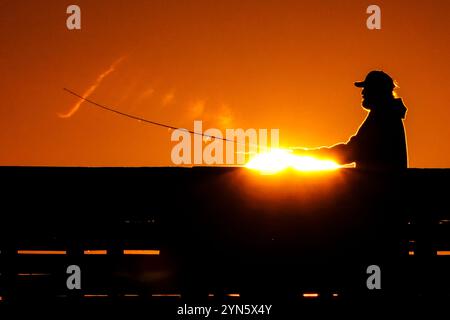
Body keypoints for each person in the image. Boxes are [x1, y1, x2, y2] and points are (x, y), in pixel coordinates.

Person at [293, 70, 408, 170]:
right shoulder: (386, 115)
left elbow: (350, 153)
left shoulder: (382, 117)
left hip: (379, 189)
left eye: (367, 88)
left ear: (377, 91)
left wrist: (306, 154)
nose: (362, 92)